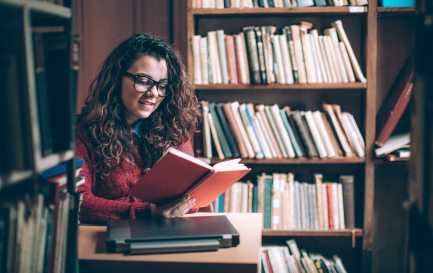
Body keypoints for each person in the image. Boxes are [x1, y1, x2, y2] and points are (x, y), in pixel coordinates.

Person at [76, 33, 208, 225]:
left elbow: (191, 202)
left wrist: (118, 205)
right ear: (116, 79)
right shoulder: (83, 133)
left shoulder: (172, 129)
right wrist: (149, 210)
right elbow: (80, 204)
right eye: (144, 81)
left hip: (169, 236)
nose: (154, 93)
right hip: (107, 241)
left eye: (162, 85)